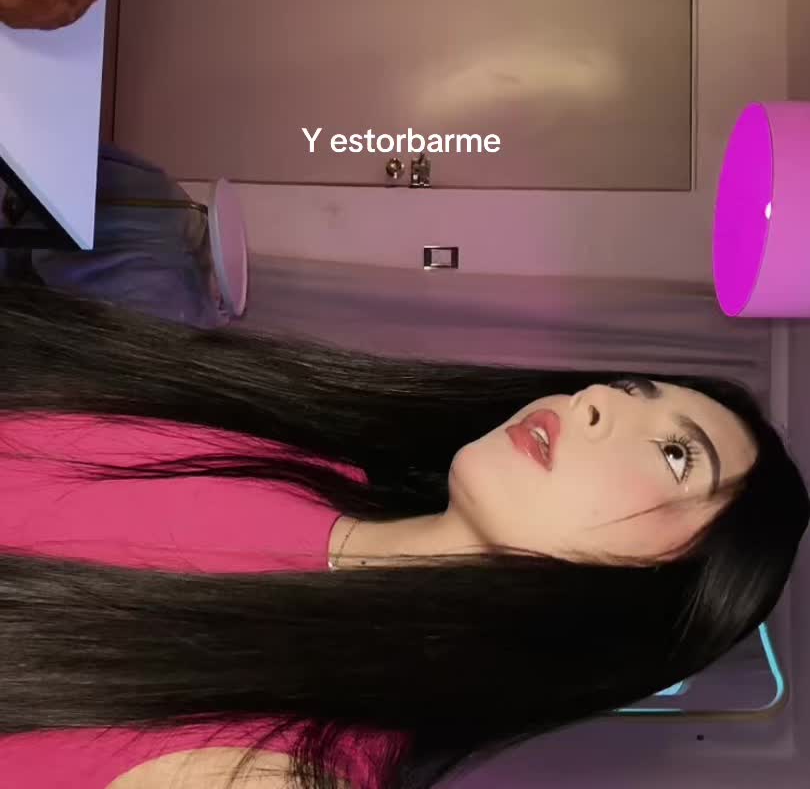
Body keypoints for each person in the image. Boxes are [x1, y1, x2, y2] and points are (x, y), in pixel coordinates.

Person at [0, 280, 807, 789]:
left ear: (655, 597)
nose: (597, 400)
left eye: (675, 456)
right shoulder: (310, 456)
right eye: (633, 388)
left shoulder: (279, 764)